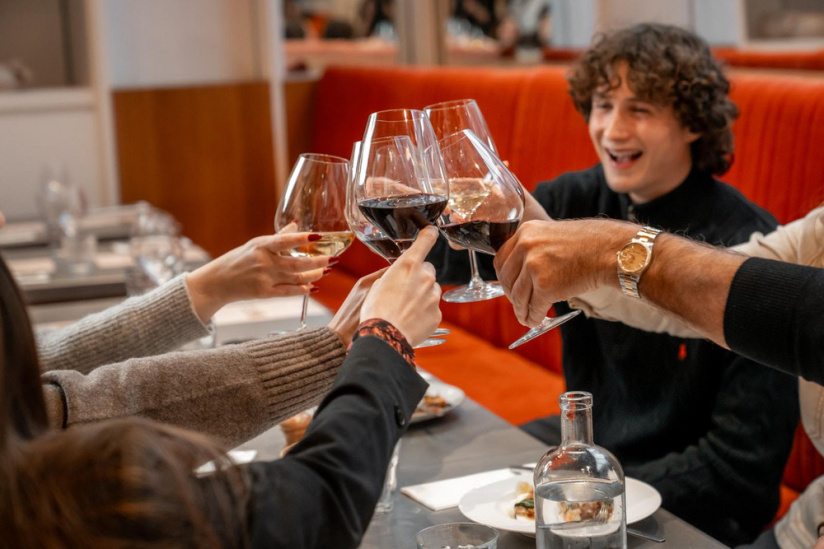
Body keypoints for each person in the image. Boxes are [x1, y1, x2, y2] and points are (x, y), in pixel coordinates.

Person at [429, 23, 798, 544]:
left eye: (639, 110)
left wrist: (581, 496)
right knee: (440, 498)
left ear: (693, 124)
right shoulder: (572, 203)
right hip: (585, 458)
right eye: (603, 105)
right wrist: (421, 211)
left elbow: (742, 473)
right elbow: (452, 265)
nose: (612, 130)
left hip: (690, 501)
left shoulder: (749, 246)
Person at [2, 225, 443, 548]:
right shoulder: (53, 501)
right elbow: (309, 509)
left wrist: (205, 288)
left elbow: (45, 376)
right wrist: (384, 343)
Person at [495, 213, 824, 548]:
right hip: (804, 523)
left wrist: (607, 250)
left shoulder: (741, 222)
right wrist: (573, 259)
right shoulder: (815, 231)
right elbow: (697, 290)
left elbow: (738, 470)